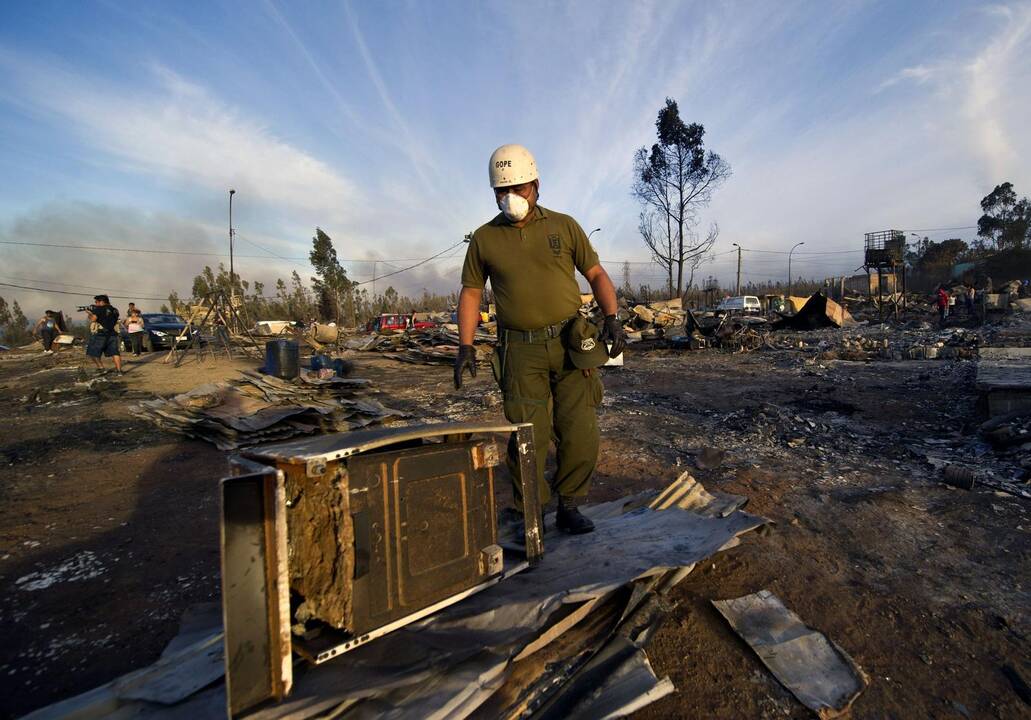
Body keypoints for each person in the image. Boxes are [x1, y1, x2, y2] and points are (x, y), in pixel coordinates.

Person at [454, 144, 626, 536]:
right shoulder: (484, 239)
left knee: (579, 427)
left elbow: (596, 273)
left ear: (536, 185)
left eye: (520, 188)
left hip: (571, 341)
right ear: (493, 192)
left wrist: (612, 318)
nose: (512, 198)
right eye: (503, 191)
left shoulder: (564, 226)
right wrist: (465, 345)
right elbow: (470, 293)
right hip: (520, 348)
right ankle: (531, 507)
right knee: (529, 432)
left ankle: (569, 505)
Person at [85, 294, 123, 373]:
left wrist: (89, 313)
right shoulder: (115, 310)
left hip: (101, 333)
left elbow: (93, 319)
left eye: (96, 302)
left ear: (101, 302)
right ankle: (119, 370)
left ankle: (101, 367)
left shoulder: (99, 309)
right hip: (112, 333)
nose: (96, 304)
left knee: (93, 352)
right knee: (115, 352)